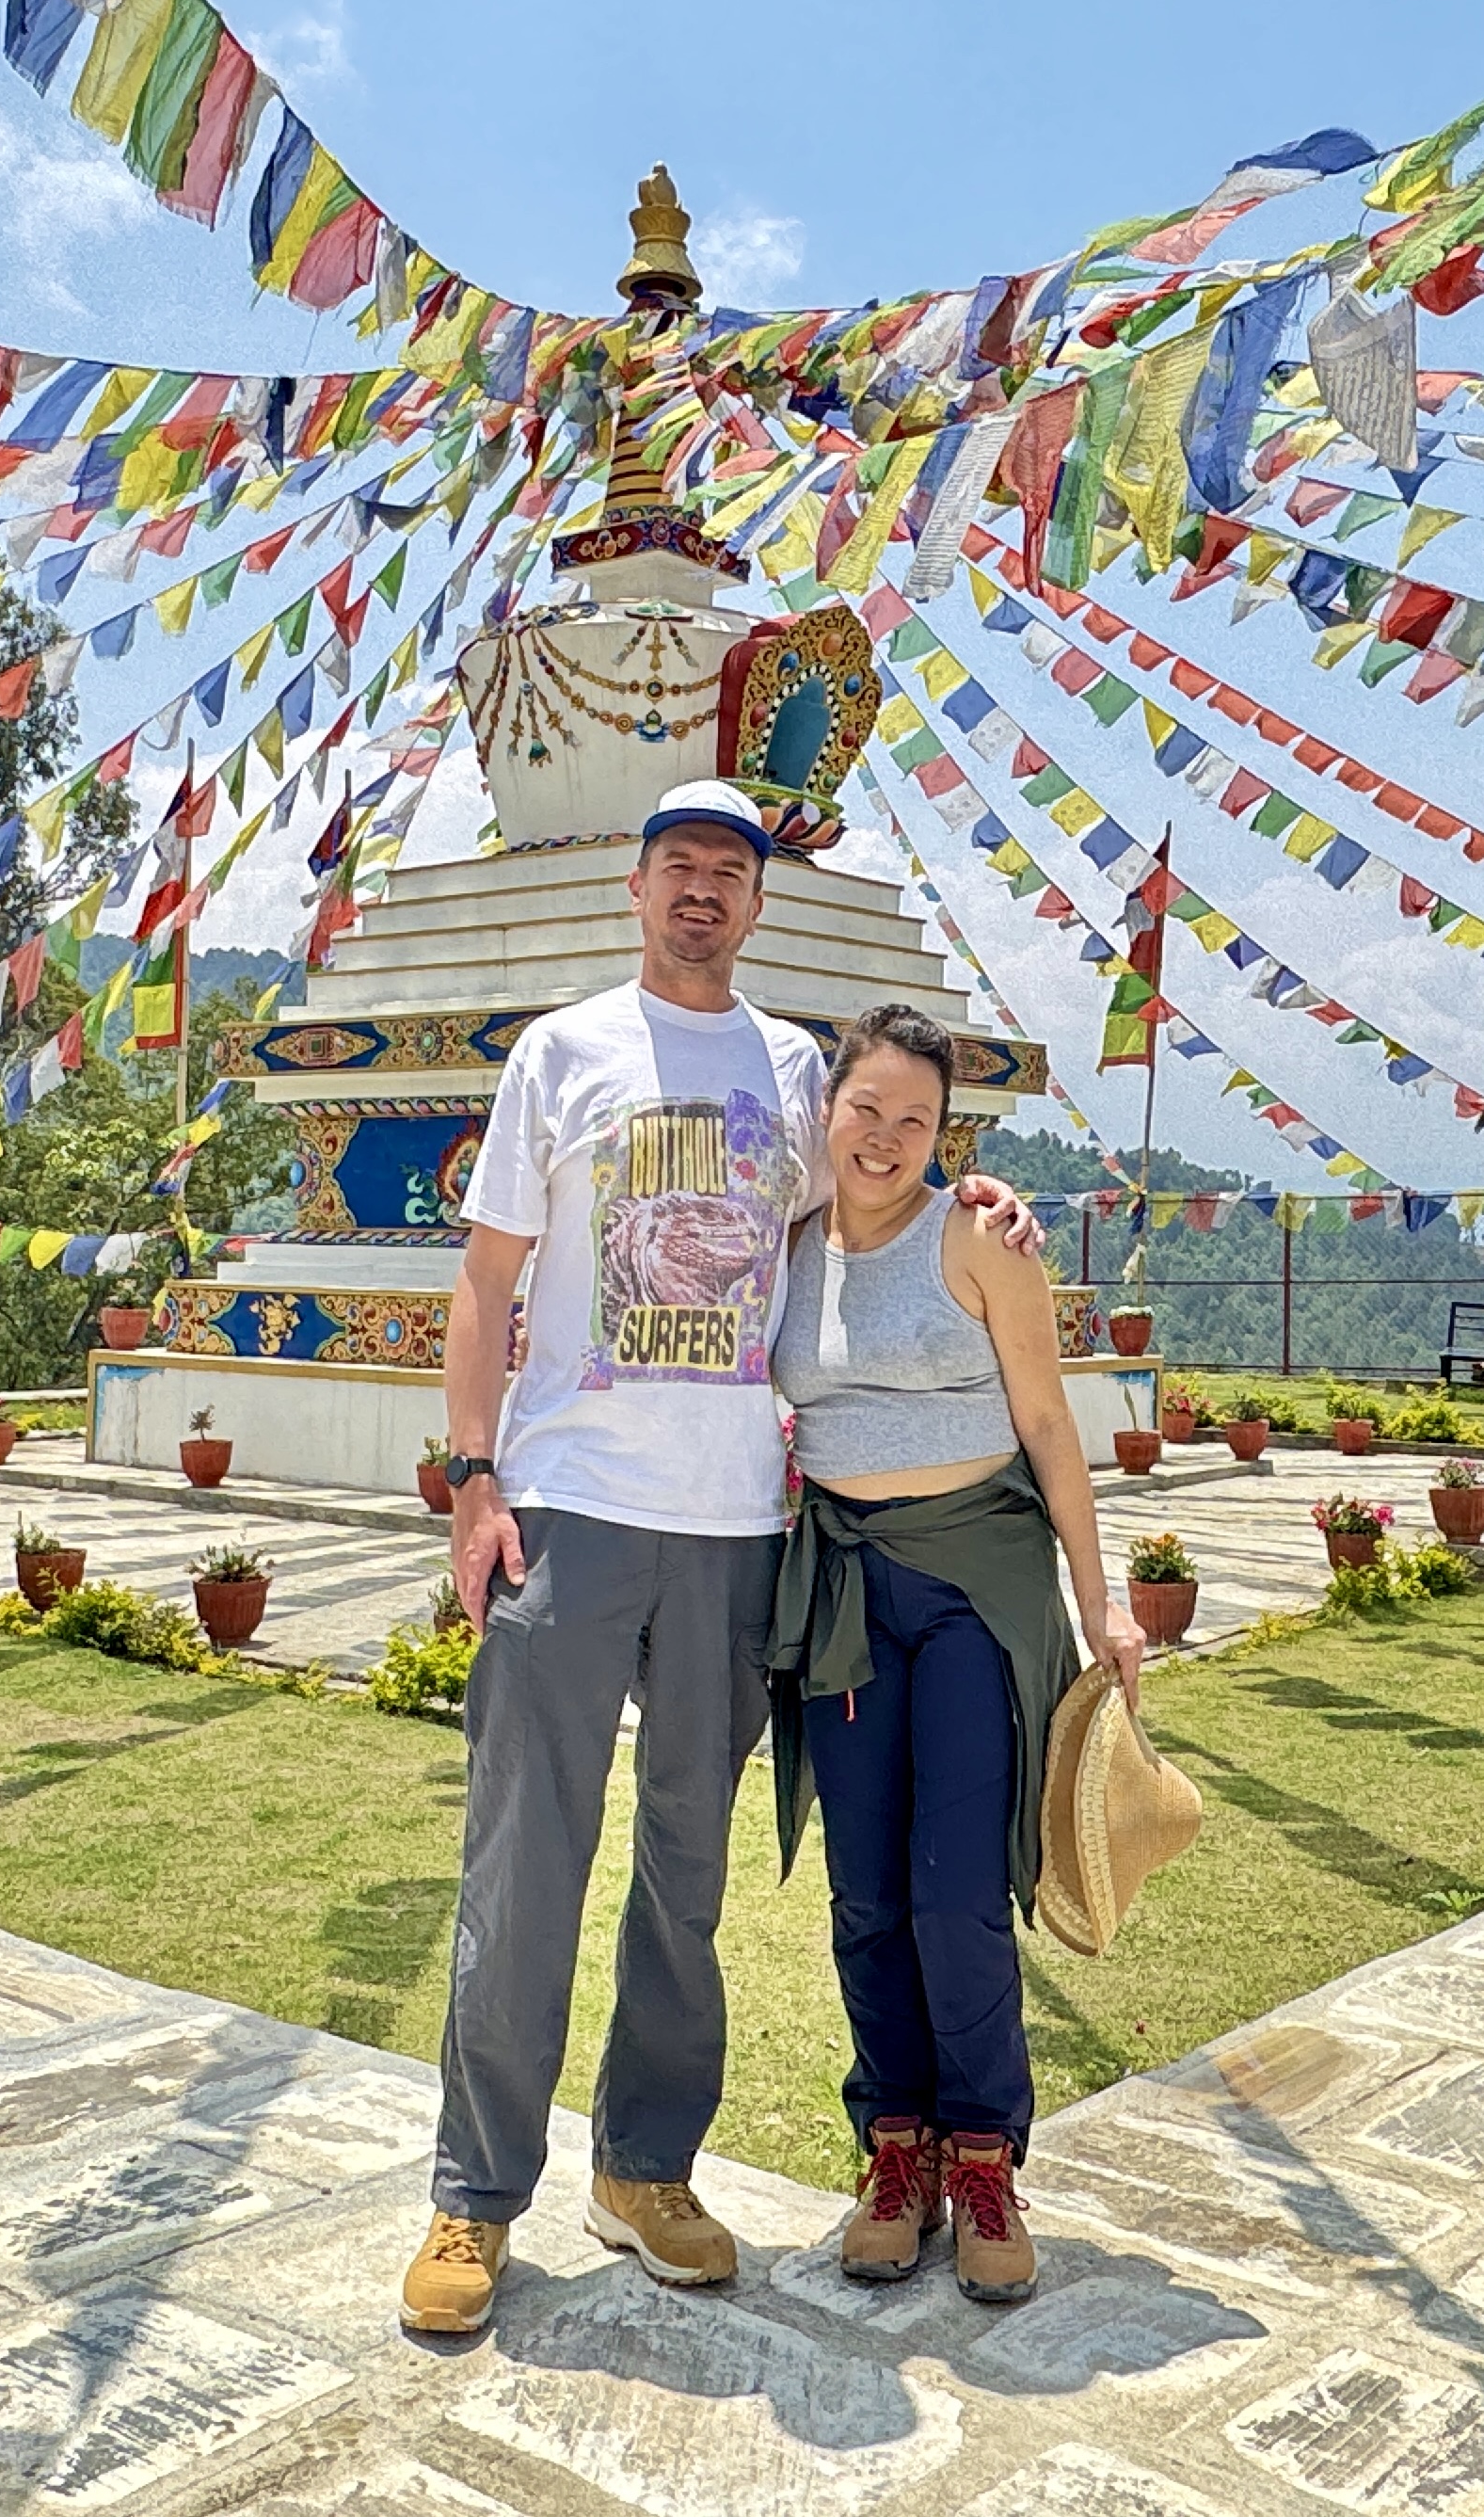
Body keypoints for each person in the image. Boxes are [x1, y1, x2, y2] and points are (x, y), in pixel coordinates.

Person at [402, 779, 1040, 2335]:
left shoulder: (793, 1069)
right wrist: (477, 1478)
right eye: (677, 864)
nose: (701, 889)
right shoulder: (562, 1052)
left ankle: (645, 2167)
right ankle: (474, 2194)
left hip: (737, 1523)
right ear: (635, 888)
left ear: (756, 904)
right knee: (525, 1862)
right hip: (572, 1500)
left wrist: (983, 1197)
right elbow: (484, 1284)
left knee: (685, 1872)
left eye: (728, 872)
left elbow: (874, 1202)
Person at [766, 1002, 1145, 2304]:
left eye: (915, 1120)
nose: (884, 1137)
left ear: (945, 1135)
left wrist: (1105, 1604)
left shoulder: (979, 1237)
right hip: (843, 1590)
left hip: (976, 1586)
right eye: (865, 1108)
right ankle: (896, 2149)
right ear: (828, 1109)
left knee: (955, 1890)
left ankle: (983, 2156)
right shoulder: (787, 1244)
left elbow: (1048, 1424)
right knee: (865, 1890)